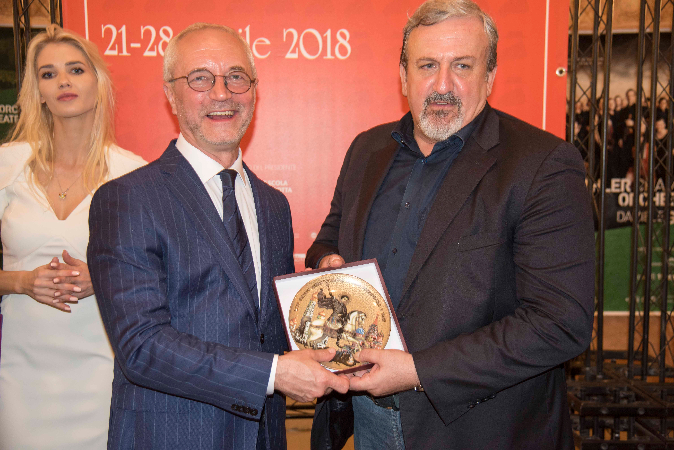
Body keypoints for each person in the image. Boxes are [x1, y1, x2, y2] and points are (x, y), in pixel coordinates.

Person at [306, 1, 595, 449]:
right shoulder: (366, 149)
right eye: (427, 65)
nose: (443, 84)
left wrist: (418, 371)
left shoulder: (542, 164)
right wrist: (328, 260)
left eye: (462, 65)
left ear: (490, 76)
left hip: (478, 431)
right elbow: (330, 235)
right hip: (366, 419)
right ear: (403, 76)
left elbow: (560, 323)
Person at [87, 22, 348, 450]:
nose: (222, 93)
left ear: (255, 91)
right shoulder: (128, 199)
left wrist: (334, 312)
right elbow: (141, 346)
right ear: (170, 94)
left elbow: (268, 331)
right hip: (173, 438)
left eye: (236, 77)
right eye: (201, 79)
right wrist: (273, 374)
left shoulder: (273, 206)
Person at [0, 25, 146, 449]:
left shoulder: (134, 174)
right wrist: (21, 281)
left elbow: (160, 277)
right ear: (38, 92)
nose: (63, 81)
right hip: (20, 373)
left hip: (104, 368)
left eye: (75, 69)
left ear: (98, 84)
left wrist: (101, 278)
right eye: (48, 74)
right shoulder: (6, 165)